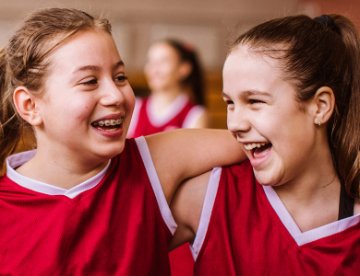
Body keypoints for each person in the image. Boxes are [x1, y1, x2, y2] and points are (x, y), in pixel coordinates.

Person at [0, 8, 246, 275]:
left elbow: (253, 142)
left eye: (120, 77)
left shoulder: (154, 163)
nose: (115, 95)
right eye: (89, 81)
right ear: (30, 105)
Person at [171, 14, 360, 275]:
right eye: (230, 104)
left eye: (255, 101)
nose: (235, 123)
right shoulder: (207, 197)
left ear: (320, 106)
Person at [127, 38, 208, 138]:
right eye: (150, 61)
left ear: (184, 69)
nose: (154, 69)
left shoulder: (195, 114)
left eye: (163, 61)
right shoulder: (135, 107)